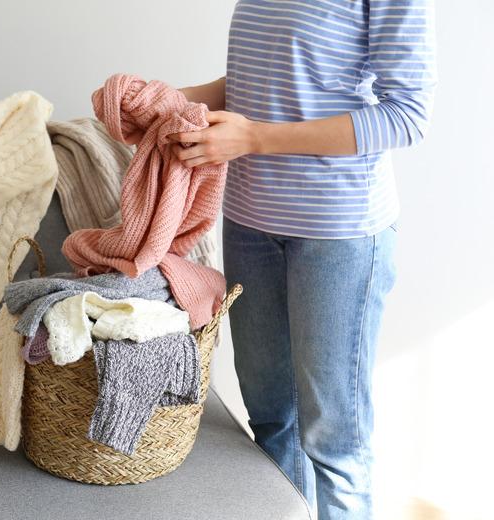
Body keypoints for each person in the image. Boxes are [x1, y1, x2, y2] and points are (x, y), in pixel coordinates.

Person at [172, 2, 436, 519]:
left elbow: (406, 115)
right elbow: (268, 79)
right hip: (250, 224)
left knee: (334, 443)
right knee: (272, 422)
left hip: (338, 235)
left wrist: (253, 138)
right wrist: (167, 101)